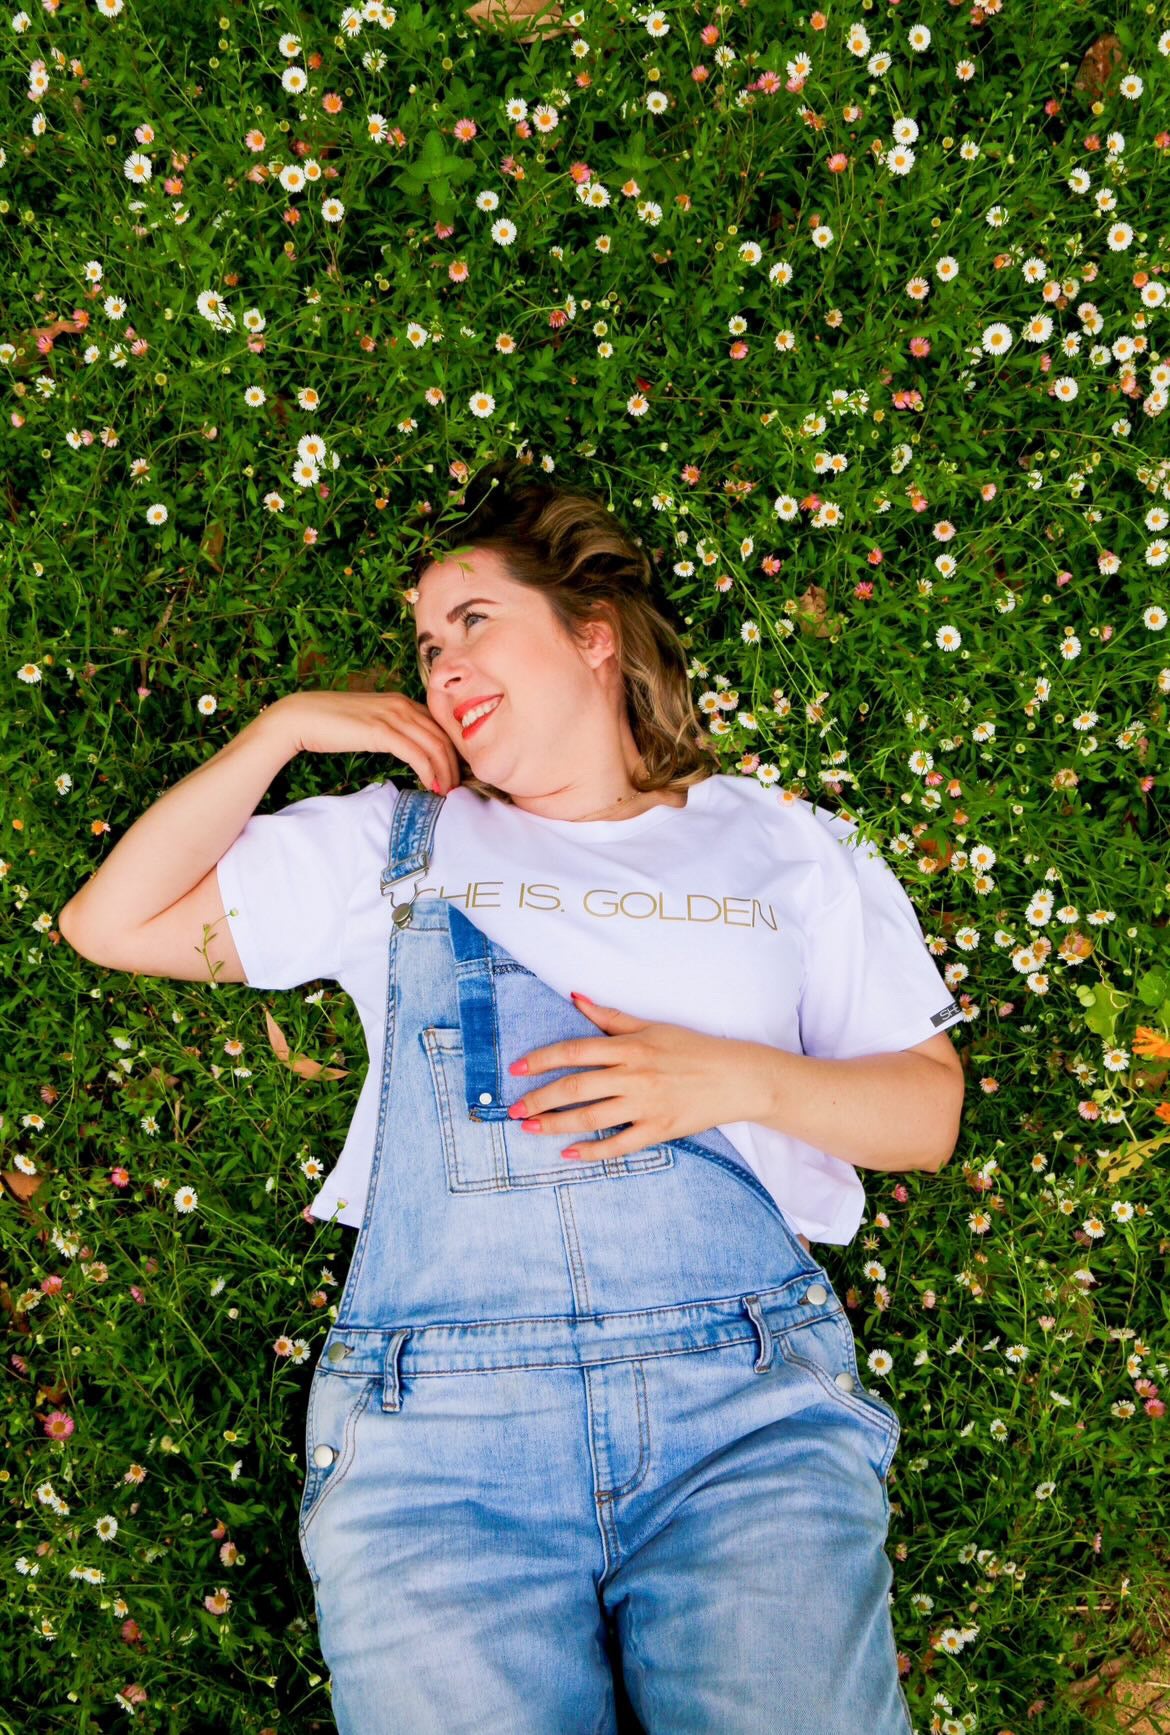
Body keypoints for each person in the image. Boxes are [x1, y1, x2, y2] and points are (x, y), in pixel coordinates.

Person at [59, 459, 966, 1733]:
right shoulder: (394, 840)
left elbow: (926, 1114)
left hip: (741, 1408)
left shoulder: (785, 841)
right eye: (428, 647)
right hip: (441, 1433)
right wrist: (283, 731)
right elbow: (110, 923)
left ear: (594, 636)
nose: (442, 668)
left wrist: (733, 1077)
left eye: (473, 620)